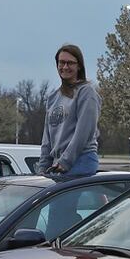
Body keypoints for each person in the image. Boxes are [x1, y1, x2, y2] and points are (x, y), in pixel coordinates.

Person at [38, 44, 101, 176]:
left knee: (63, 197)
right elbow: (47, 139)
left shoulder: (86, 92)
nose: (65, 67)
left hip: (81, 160)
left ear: (79, 66)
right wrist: (42, 168)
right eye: (61, 62)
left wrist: (66, 161)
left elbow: (83, 132)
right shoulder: (52, 98)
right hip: (58, 164)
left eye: (70, 63)